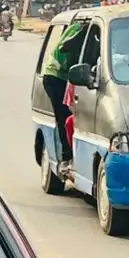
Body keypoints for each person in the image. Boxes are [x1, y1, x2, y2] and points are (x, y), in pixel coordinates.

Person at [41, 20, 84, 177]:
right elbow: (64, 47)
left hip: (65, 77)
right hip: (55, 77)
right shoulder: (79, 29)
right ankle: (66, 158)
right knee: (64, 117)